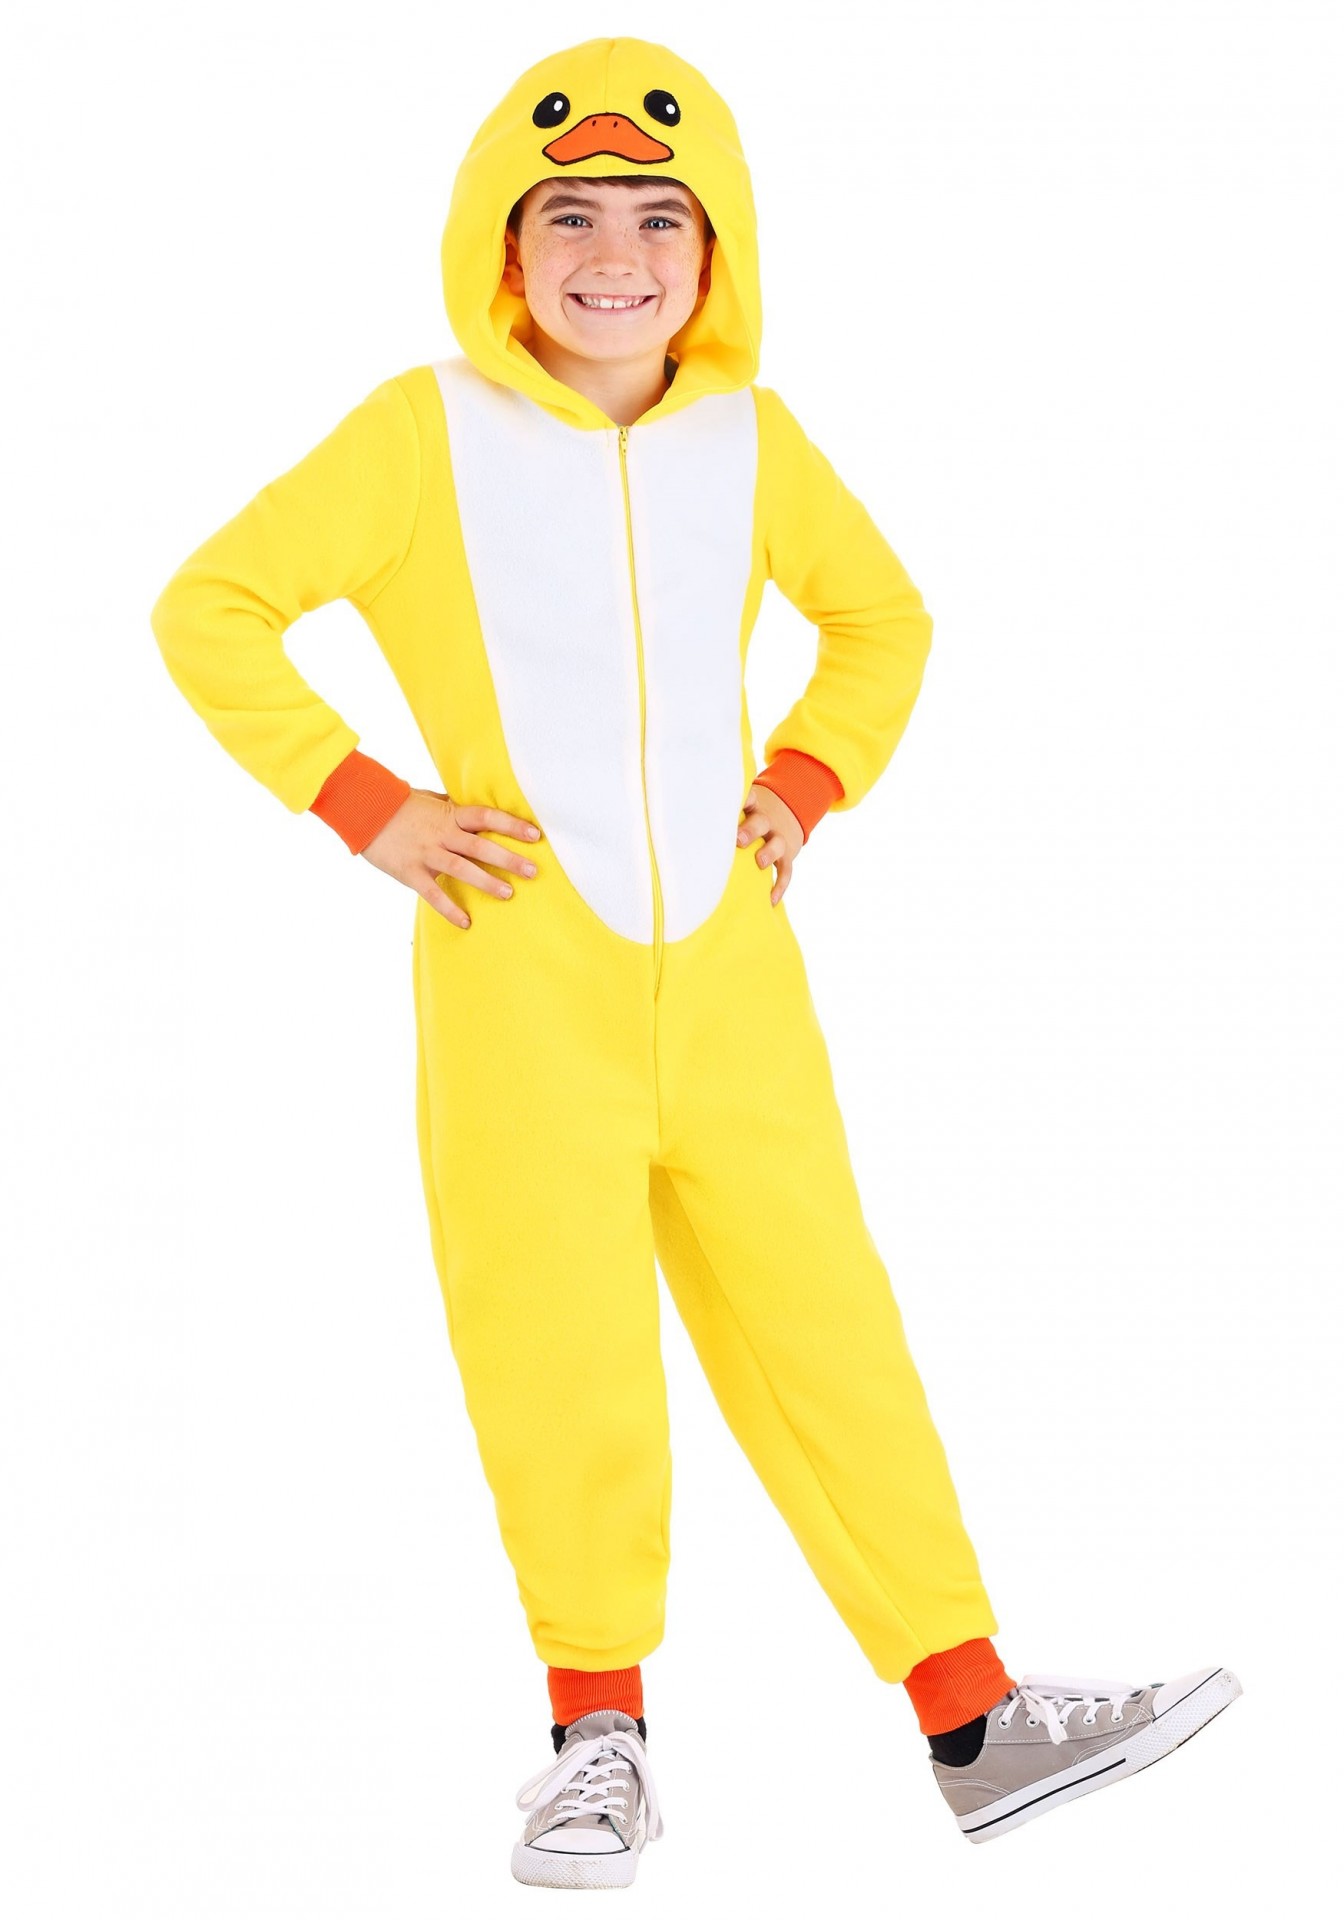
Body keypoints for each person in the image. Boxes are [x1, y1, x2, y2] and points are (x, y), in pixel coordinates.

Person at [149, 33, 1241, 1889]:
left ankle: (974, 1717)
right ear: (503, 244)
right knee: (558, 1349)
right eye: (568, 214)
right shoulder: (419, 433)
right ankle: (598, 1741)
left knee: (829, 1324)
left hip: (733, 982)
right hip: (517, 977)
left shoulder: (754, 439)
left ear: (716, 246)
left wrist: (804, 784)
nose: (616, 255)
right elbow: (212, 606)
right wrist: (367, 805)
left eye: (661, 217)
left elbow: (881, 618)